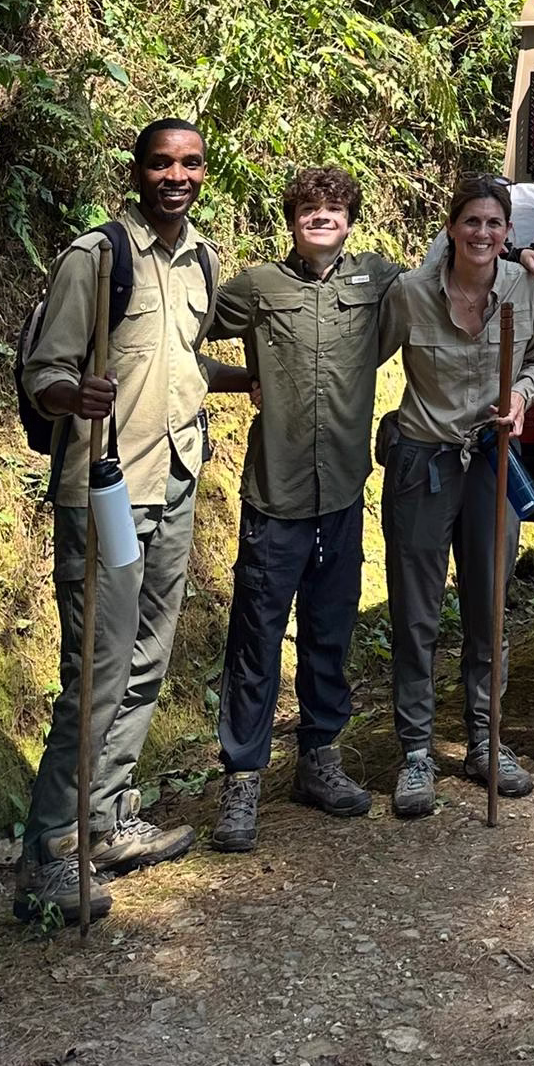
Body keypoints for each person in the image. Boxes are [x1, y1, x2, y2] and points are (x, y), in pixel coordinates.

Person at [15, 119, 222, 922]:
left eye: (190, 163)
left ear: (203, 172)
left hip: (172, 481)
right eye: (162, 163)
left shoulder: (201, 258)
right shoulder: (95, 257)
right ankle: (48, 856)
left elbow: (183, 359)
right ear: (137, 171)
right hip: (104, 489)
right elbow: (44, 372)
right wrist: (74, 394)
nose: (176, 175)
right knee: (96, 672)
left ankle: (105, 820)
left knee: (146, 658)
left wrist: (242, 377)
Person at [206, 166, 402, 853]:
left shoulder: (380, 282)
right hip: (275, 495)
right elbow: (180, 335)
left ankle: (318, 760)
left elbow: (443, 297)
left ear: (351, 219)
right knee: (256, 641)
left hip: (343, 493)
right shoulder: (257, 288)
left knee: (330, 631)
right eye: (309, 208)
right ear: (290, 219)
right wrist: (238, 379)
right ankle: (242, 780)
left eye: (335, 208)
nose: (322, 217)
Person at [375, 175, 534, 817]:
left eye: (494, 224)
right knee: (416, 613)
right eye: (471, 221)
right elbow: (362, 354)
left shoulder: (521, 288)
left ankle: (485, 738)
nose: (482, 233)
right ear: (450, 227)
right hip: (423, 462)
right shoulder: (411, 292)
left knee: (490, 606)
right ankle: (417, 752)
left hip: (491, 460)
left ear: (509, 233)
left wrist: (521, 395)